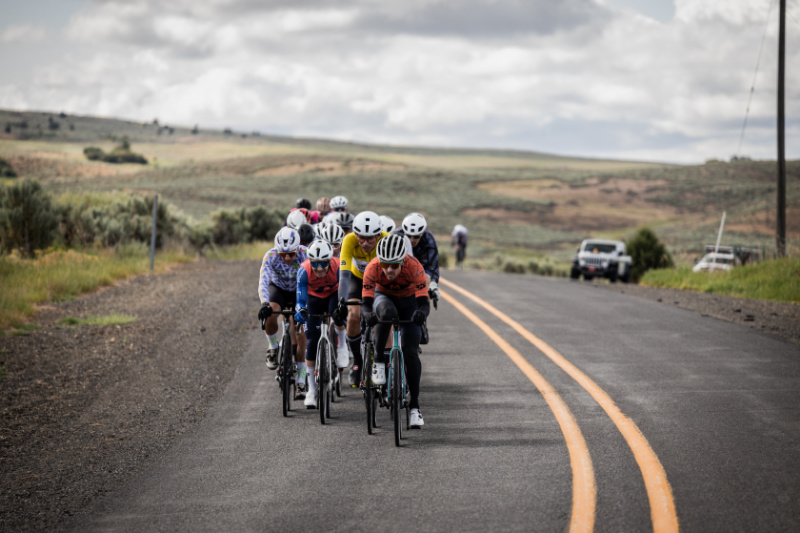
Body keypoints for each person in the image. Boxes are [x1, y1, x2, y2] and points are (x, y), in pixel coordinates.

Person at [361, 233, 430, 428]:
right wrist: (368, 315)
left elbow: (424, 304)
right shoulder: (372, 267)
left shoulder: (415, 267)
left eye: (394, 265)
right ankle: (379, 361)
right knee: (387, 312)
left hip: (409, 303)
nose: (389, 270)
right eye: (385, 265)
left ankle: (415, 407)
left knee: (410, 353)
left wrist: (421, 314)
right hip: (384, 299)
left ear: (402, 261)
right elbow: (366, 305)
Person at [333, 211, 388, 387]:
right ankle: (357, 361)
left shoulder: (386, 240)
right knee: (353, 314)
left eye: (370, 239)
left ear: (378, 235)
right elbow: (344, 275)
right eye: (361, 238)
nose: (365, 243)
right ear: (355, 234)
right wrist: (341, 300)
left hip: (380, 281)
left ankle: (381, 361)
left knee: (381, 316)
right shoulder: (348, 241)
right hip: (356, 279)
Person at [294, 240, 349, 409]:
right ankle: (312, 389)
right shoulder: (304, 270)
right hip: (314, 299)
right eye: (315, 263)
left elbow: (345, 291)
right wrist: (301, 310)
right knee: (311, 342)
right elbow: (300, 299)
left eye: (323, 263)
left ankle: (341, 344)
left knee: (337, 313)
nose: (319, 268)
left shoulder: (339, 266)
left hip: (333, 295)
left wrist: (343, 305)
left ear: (330, 260)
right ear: (310, 261)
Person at [257, 227, 309, 398]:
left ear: (297, 249)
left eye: (291, 254)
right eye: (283, 254)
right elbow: (263, 281)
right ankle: (273, 347)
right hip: (278, 288)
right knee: (271, 312)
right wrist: (264, 303)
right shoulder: (270, 256)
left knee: (301, 333)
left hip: (298, 292)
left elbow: (313, 280)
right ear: (277, 251)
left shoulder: (305, 253)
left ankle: (301, 380)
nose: (287, 258)